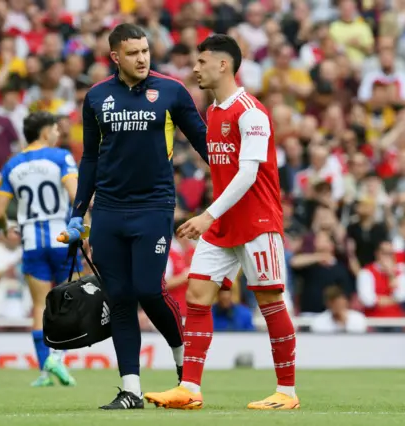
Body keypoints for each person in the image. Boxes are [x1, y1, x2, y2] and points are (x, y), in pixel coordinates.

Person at [144, 34, 299, 410]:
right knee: (197, 297)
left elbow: (248, 174)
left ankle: (287, 392)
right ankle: (190, 389)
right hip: (223, 224)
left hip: (258, 221)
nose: (195, 68)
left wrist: (206, 214)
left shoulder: (251, 112)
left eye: (201, 62)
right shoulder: (213, 112)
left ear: (223, 65)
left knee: (269, 301)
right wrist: (213, 218)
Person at [59, 23, 209, 410]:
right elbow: (90, 157)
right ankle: (131, 390)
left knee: (148, 288)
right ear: (115, 57)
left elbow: (204, 142)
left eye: (145, 50)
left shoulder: (172, 91)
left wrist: (236, 183)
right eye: (133, 53)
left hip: (154, 206)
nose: (142, 58)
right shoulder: (96, 97)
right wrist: (78, 213)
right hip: (108, 209)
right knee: (120, 297)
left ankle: (183, 368)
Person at [0, 112, 79, 387]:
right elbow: (76, 196)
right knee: (70, 301)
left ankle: (44, 371)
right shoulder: (60, 156)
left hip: (31, 239)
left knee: (40, 305)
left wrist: (7, 226)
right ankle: (57, 357)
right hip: (61, 237)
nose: (58, 133)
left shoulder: (12, 165)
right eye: (55, 129)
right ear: (45, 132)